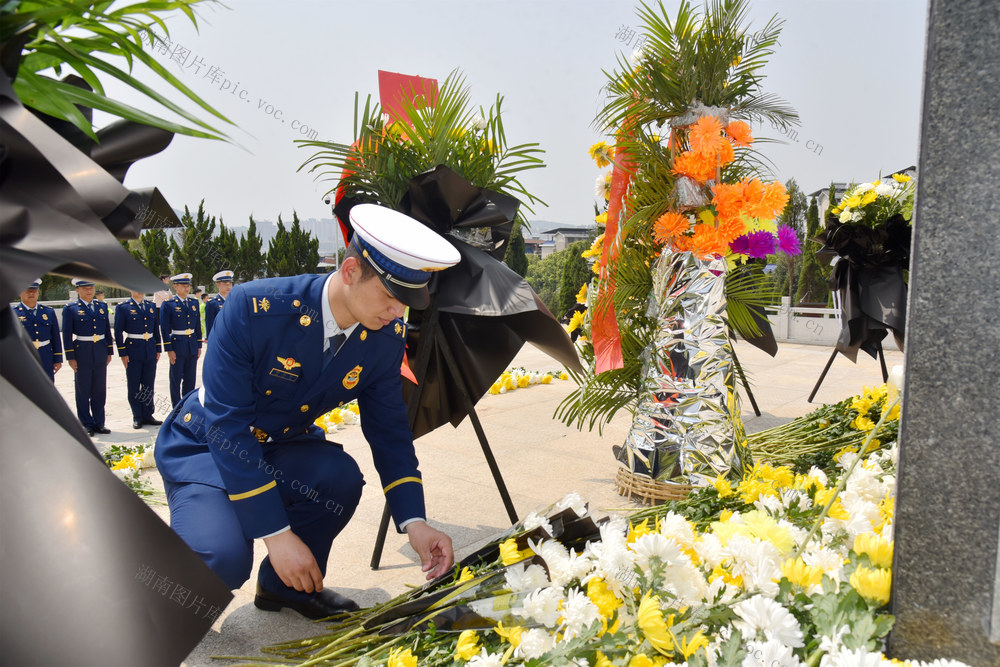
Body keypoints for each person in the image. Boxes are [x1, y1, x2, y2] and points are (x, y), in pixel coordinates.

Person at [154, 204, 460, 620]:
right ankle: (148, 598)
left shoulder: (385, 338)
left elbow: (389, 431)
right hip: (209, 445)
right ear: (350, 271)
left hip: (281, 446)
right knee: (221, 559)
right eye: (390, 296)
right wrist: (277, 535)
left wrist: (415, 521)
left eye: (408, 303)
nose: (397, 313)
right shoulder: (253, 309)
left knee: (337, 478)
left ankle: (284, 588)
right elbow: (228, 427)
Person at [62, 278, 114, 436]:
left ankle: (99, 422)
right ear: (77, 290)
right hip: (82, 352)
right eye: (85, 288)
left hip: (100, 351)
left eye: (91, 287)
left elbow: (106, 330)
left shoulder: (101, 306)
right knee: (83, 390)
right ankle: (86, 423)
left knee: (99, 389)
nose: (89, 291)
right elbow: (66, 334)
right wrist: (70, 357)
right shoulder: (71, 309)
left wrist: (109, 351)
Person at [115, 290, 163, 429]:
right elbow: (118, 332)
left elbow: (156, 329)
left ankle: (148, 414)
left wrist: (158, 349)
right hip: (133, 349)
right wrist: (122, 353)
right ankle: (137, 416)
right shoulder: (123, 307)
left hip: (150, 349)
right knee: (134, 384)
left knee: (149, 384)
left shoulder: (150, 306)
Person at [160, 273, 202, 406]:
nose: (186, 288)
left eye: (188, 286)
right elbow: (165, 329)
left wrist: (199, 345)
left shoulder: (194, 302)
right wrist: (169, 349)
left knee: (190, 379)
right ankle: (176, 408)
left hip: (192, 346)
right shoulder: (168, 304)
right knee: (176, 379)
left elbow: (197, 326)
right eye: (183, 286)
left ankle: (188, 406)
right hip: (177, 345)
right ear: (175, 287)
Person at [13, 278, 63, 380]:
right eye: (28, 290)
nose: (31, 293)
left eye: (34, 290)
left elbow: (55, 337)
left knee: (47, 384)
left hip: (45, 355)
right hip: (24, 355)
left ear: (38, 292)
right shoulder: (13, 313)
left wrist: (57, 359)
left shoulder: (48, 312)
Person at [204, 269, 234, 338]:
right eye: (225, 284)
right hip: (219, 338)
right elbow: (209, 325)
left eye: (230, 283)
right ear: (218, 285)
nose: (228, 286)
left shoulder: (234, 301)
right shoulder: (212, 303)